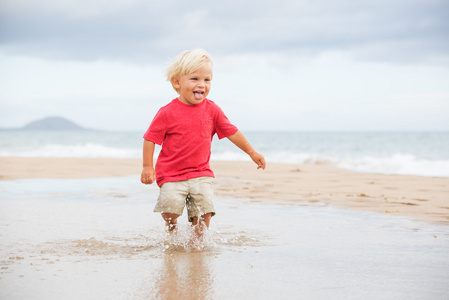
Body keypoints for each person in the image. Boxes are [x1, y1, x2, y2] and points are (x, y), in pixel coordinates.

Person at [141, 49, 265, 244]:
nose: (201, 84)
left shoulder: (213, 110)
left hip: (201, 172)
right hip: (171, 174)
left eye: (207, 80)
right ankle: (171, 230)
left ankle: (197, 243)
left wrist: (251, 152)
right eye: (194, 79)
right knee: (169, 208)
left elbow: (232, 132)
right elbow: (150, 139)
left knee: (204, 209)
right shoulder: (167, 112)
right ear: (176, 82)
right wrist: (148, 167)